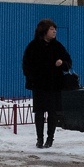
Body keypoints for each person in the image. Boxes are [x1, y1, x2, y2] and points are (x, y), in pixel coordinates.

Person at [22, 18, 72, 148]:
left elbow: (68, 62)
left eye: (55, 29)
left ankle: (50, 139)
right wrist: (32, 78)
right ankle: (39, 138)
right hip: (39, 86)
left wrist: (62, 64)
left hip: (54, 85)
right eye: (51, 29)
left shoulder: (58, 46)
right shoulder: (33, 46)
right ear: (44, 31)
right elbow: (26, 65)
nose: (54, 31)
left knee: (52, 113)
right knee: (39, 112)